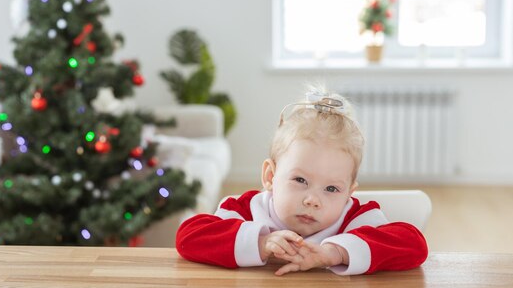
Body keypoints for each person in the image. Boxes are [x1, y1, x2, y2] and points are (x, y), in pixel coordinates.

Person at [175, 87, 428, 276]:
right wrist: (261, 243)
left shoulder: (353, 217)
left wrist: (335, 253)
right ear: (270, 177)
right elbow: (188, 237)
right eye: (300, 180)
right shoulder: (247, 209)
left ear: (349, 193)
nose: (312, 200)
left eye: (331, 189)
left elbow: (414, 245)